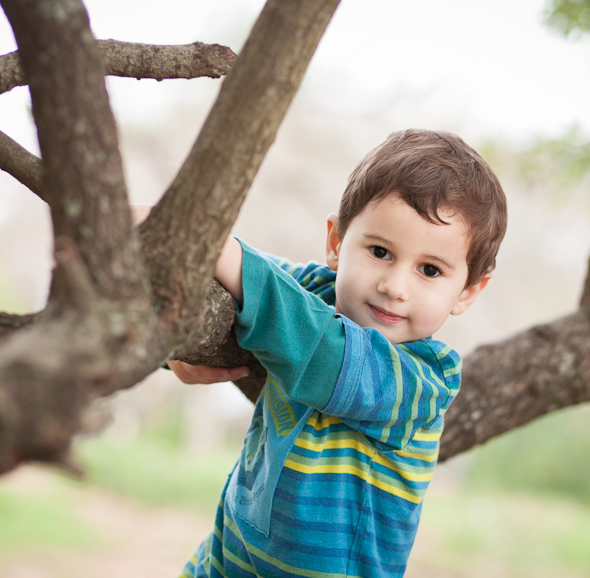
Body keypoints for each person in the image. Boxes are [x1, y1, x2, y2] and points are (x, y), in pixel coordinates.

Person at [170, 129, 507, 578]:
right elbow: (237, 288)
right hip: (228, 557)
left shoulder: (424, 381)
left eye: (430, 270)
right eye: (380, 251)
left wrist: (207, 244)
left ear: (467, 291)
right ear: (336, 243)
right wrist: (176, 348)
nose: (395, 287)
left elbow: (321, 350)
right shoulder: (316, 295)